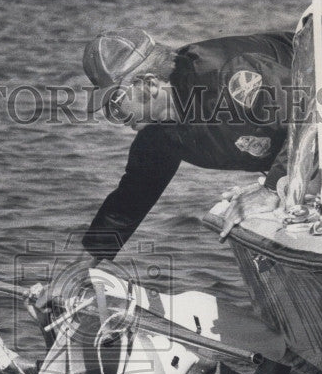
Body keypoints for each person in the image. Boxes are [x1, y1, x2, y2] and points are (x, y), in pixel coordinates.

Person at [77, 28, 295, 264]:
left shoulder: (229, 73)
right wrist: (76, 272)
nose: (115, 117)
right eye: (108, 110)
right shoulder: (159, 135)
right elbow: (129, 202)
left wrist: (271, 189)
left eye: (116, 104)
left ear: (149, 84)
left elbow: (315, 116)